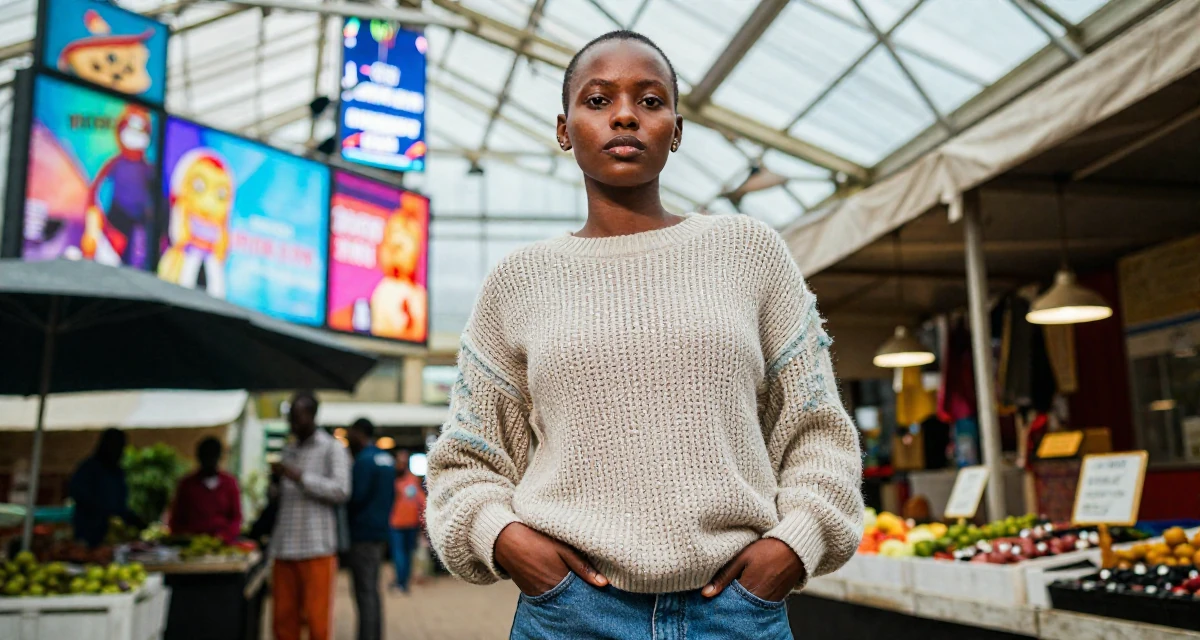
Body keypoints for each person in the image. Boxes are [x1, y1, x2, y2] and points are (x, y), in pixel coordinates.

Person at [425, 30, 864, 639]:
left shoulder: (748, 252)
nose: (625, 114)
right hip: (570, 615)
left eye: (651, 101)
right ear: (563, 128)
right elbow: (464, 461)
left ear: (676, 131)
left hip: (737, 612)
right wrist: (504, 539)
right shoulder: (518, 282)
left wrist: (792, 547)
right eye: (599, 100)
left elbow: (818, 432)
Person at [269, 391, 351, 640]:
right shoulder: (289, 449)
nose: (292, 423)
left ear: (312, 416)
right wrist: (274, 483)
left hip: (316, 547)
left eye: (298, 417)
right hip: (284, 546)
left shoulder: (332, 448)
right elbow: (279, 496)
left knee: (318, 622)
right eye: (290, 417)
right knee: (283, 621)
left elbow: (341, 490)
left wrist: (300, 477)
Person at [345, 419, 395, 640]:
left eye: (350, 433)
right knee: (372, 590)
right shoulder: (386, 459)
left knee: (364, 591)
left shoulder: (364, 460)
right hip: (380, 531)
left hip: (362, 533)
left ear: (359, 433)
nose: (348, 437)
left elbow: (356, 496)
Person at [69, 428, 141, 547]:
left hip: (112, 536)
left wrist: (131, 518)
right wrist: (104, 511)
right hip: (88, 532)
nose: (120, 451)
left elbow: (120, 504)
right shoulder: (88, 469)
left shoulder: (117, 472)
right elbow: (79, 495)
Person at [168, 437, 242, 543]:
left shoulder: (229, 483)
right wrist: (184, 538)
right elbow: (176, 518)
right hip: (191, 544)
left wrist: (225, 537)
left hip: (223, 545)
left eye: (213, 456)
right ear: (199, 457)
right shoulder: (187, 484)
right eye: (206, 457)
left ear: (219, 457)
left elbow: (236, 518)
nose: (209, 461)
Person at [388, 449, 425, 592]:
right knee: (405, 554)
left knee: (401, 553)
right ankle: (403, 583)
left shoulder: (396, 480)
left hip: (401, 522)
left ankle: (401, 582)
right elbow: (422, 501)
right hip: (403, 522)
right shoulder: (412, 480)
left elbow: (421, 502)